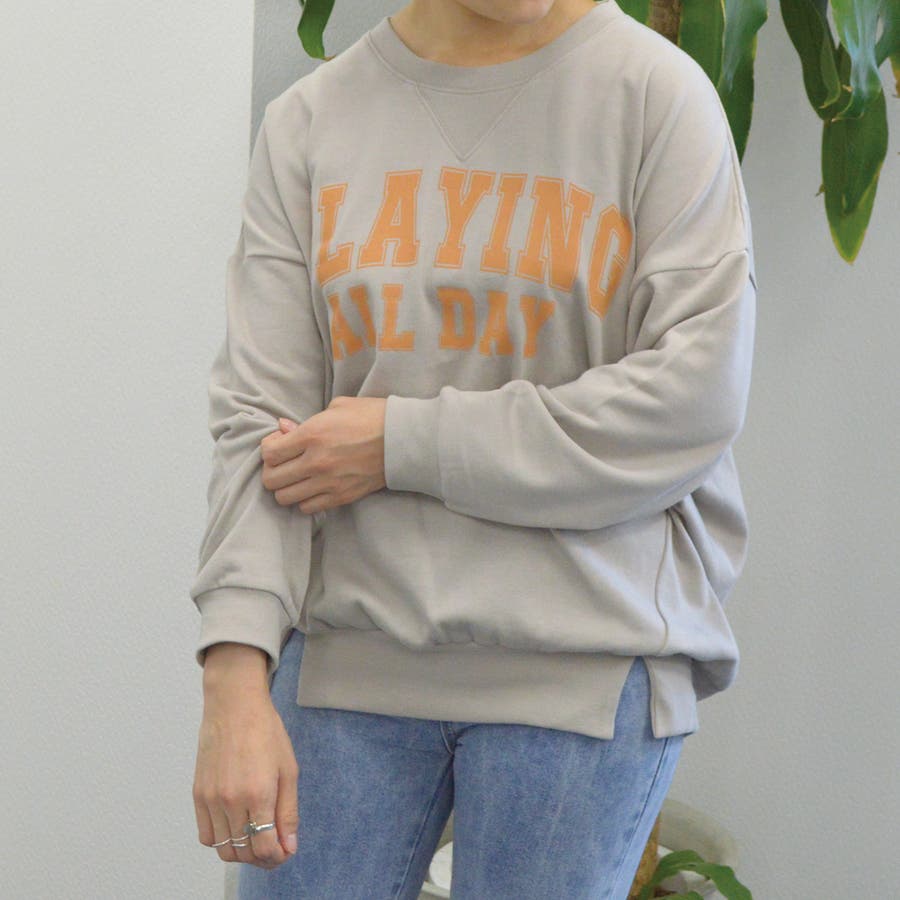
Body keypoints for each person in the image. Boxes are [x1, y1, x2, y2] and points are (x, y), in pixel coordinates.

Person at [190, 0, 758, 896]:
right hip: (345, 662)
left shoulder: (659, 99)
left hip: (585, 670)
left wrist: (403, 443)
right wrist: (233, 677)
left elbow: (691, 400)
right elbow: (260, 428)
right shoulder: (312, 122)